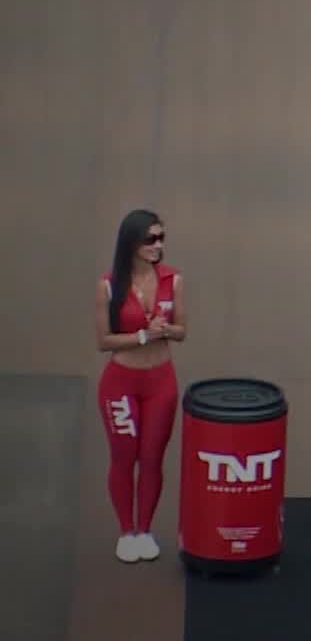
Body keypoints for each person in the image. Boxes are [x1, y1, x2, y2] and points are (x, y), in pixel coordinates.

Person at [93, 209, 187, 564]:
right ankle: (125, 531)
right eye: (150, 239)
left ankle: (145, 530)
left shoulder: (173, 280)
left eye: (161, 238)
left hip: (161, 382)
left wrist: (166, 330)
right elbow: (104, 341)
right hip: (121, 383)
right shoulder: (108, 285)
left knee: (151, 457)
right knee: (124, 456)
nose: (157, 245)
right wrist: (144, 335)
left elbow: (182, 331)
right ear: (132, 242)